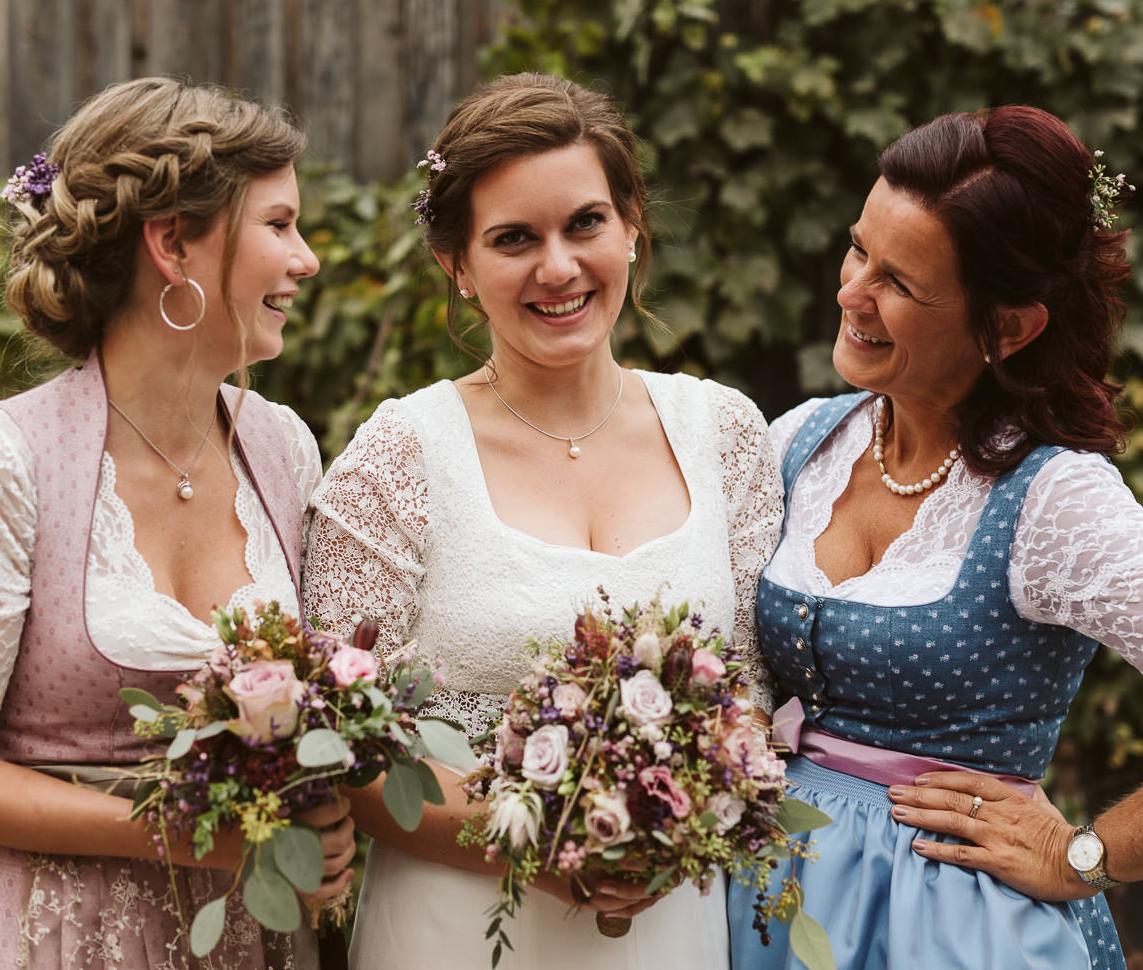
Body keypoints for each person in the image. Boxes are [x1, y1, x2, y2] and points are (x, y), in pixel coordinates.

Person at [727, 105, 1143, 969]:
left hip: (948, 927)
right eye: (858, 249)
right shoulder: (801, 443)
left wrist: (1082, 855)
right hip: (774, 903)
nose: (851, 293)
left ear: (1010, 326)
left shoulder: (1051, 499)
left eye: (899, 283)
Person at [301, 72, 784, 969]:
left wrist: (678, 822)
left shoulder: (726, 434)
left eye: (585, 223)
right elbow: (346, 746)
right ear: (456, 264)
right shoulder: (399, 457)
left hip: (671, 925)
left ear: (632, 226)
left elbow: (755, 694)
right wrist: (549, 849)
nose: (557, 267)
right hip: (455, 927)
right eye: (514, 238)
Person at [0, 77, 355, 969]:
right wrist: (196, 834)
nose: (306, 260)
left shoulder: (282, 448)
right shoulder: (5, 461)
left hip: (247, 938)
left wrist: (320, 809)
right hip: (49, 937)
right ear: (173, 242)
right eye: (279, 224)